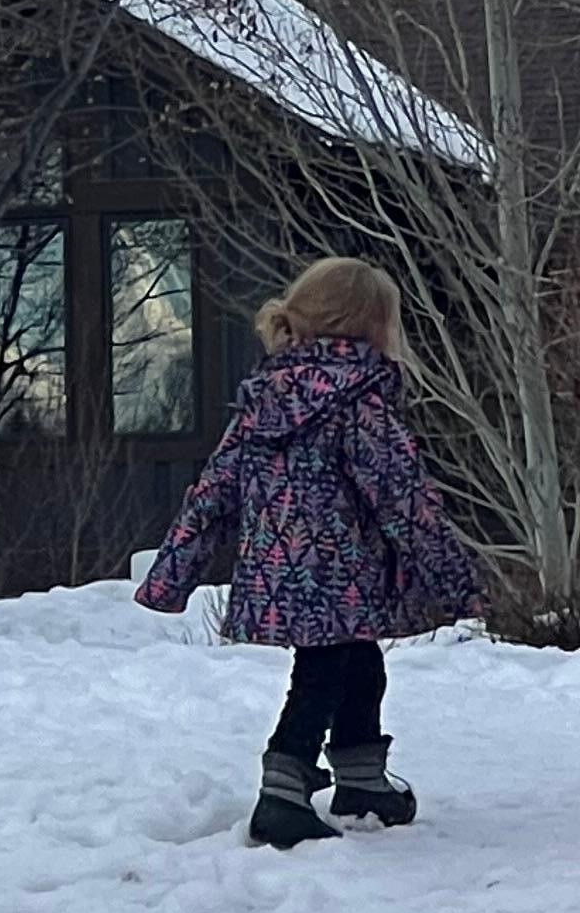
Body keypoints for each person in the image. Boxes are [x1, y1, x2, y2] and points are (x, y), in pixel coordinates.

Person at [136, 255, 485, 849]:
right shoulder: (360, 401)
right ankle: (282, 794)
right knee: (322, 676)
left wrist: (173, 573)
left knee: (358, 666)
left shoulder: (263, 399)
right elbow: (403, 497)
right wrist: (454, 579)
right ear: (374, 327)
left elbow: (214, 492)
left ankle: (361, 781)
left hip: (281, 577)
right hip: (342, 577)